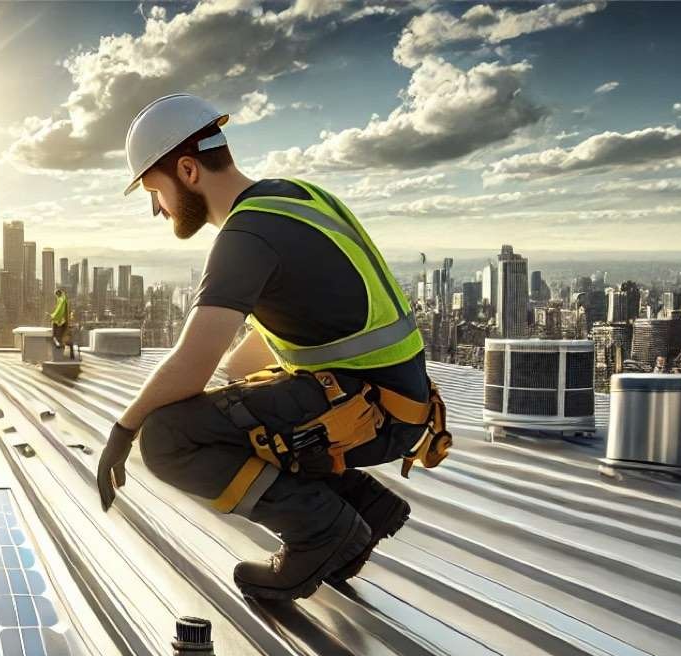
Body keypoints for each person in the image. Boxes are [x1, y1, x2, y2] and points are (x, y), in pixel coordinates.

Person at [95, 93, 450, 603]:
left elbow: (193, 362)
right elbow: (290, 324)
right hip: (395, 402)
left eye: (155, 190)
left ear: (189, 171)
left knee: (168, 436)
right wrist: (232, 397)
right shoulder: (296, 196)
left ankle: (320, 530)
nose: (157, 208)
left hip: (371, 412)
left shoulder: (246, 234)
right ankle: (363, 510)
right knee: (230, 412)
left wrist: (124, 428)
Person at [49, 288, 79, 360]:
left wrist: (53, 316)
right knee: (66, 338)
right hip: (66, 322)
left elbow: (59, 310)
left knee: (56, 336)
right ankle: (70, 353)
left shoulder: (61, 300)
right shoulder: (65, 300)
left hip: (61, 321)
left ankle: (59, 350)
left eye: (56, 295)